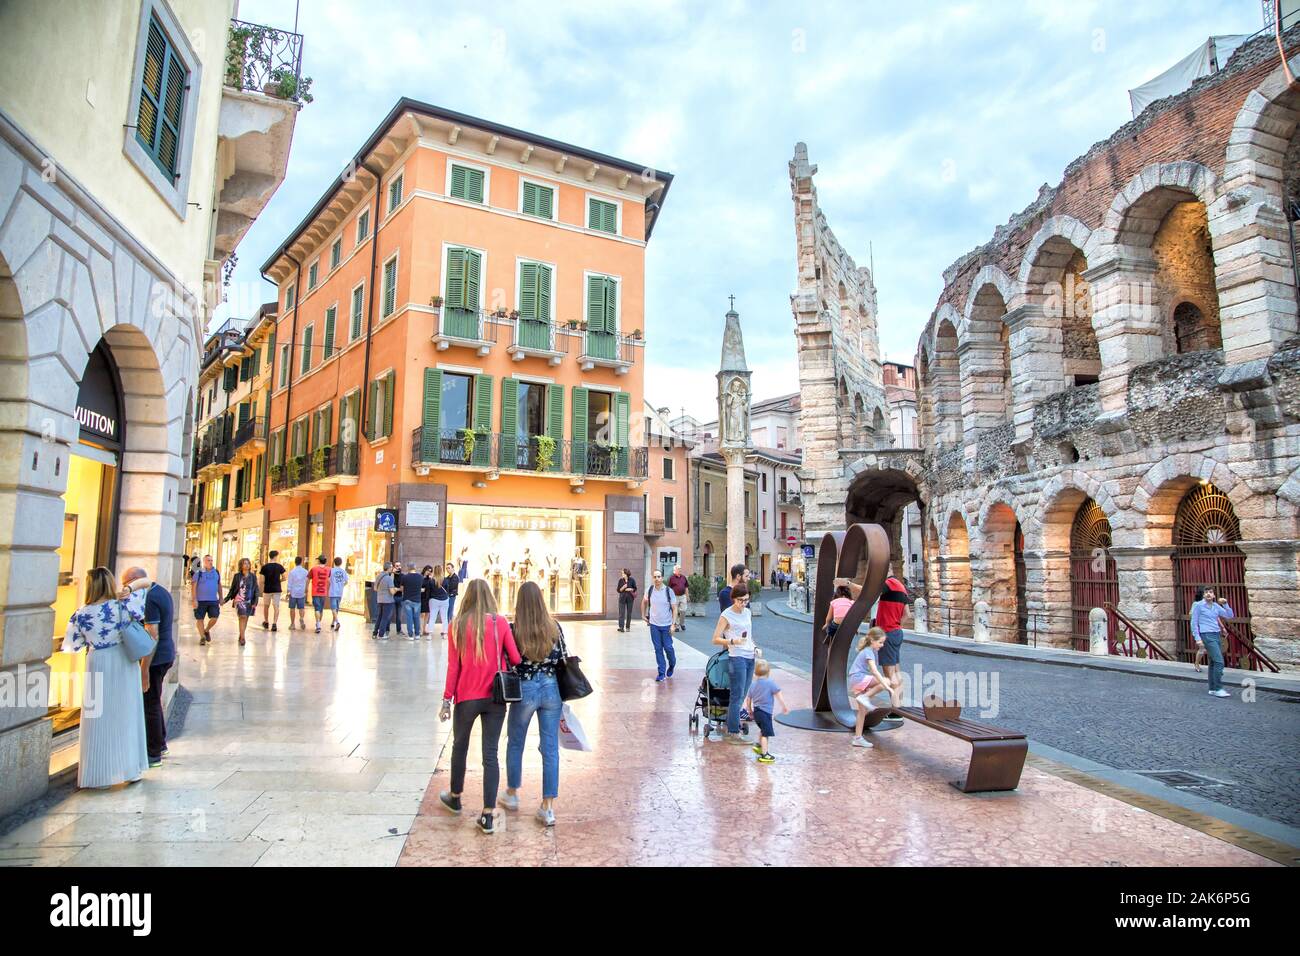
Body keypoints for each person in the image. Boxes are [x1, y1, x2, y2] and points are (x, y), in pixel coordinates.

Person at [438, 578, 522, 835]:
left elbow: (454, 667)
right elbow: (516, 658)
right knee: (490, 754)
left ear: (467, 598)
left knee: (459, 746)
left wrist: (446, 699)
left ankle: (455, 796)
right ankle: (487, 814)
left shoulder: (457, 625)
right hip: (496, 697)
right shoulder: (500, 623)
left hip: (466, 697)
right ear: (489, 597)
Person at [62, 567, 149, 787]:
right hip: (121, 661)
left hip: (97, 661)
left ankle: (96, 774)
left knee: (96, 717)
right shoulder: (122, 606)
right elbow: (147, 583)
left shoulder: (80, 613)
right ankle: (130, 769)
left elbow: (72, 646)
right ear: (111, 583)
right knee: (126, 713)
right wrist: (129, 588)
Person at [501, 580, 564, 827]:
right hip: (551, 688)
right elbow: (562, 657)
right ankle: (547, 807)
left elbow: (508, 660)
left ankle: (512, 793)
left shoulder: (514, 628)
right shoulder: (554, 627)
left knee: (515, 742)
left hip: (524, 688)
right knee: (550, 748)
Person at [121, 567, 174, 769]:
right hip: (165, 655)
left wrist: (144, 670)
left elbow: (152, 634)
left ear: (134, 581)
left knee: (149, 703)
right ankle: (160, 744)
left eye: (126, 585)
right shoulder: (160, 590)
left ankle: (153, 754)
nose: (125, 590)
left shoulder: (149, 598)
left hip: (157, 658)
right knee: (154, 700)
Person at [711, 582, 757, 744]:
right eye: (740, 600)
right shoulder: (726, 615)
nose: (743, 603)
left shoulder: (748, 613)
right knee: (736, 696)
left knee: (743, 694)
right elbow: (715, 639)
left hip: (750, 656)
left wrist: (755, 647)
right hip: (736, 656)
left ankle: (734, 726)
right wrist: (732, 640)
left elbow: (749, 635)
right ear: (733, 599)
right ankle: (733, 731)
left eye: (746, 600)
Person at [848, 627, 902, 748]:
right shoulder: (868, 651)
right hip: (858, 678)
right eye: (880, 642)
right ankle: (865, 697)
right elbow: (874, 671)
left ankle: (857, 738)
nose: (882, 645)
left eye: (883, 642)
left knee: (862, 712)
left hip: (855, 680)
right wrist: (887, 687)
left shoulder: (872, 651)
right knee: (887, 680)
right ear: (872, 640)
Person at [1191, 587, 1235, 698]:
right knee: (1219, 661)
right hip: (1206, 635)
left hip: (1216, 634)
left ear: (1214, 595)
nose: (1208, 594)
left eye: (1210, 592)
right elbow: (1194, 623)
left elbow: (1230, 615)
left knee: (1213, 663)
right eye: (1206, 592)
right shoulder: (1198, 606)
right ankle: (1218, 688)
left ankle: (1212, 688)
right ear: (1203, 595)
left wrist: (1225, 604)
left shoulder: (1216, 606)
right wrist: (1198, 638)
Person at [744, 658, 790, 764]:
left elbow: (748, 699)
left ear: (755, 672)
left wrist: (750, 710)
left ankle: (759, 746)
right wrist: (784, 706)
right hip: (765, 713)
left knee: (763, 730)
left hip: (757, 712)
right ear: (769, 671)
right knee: (765, 734)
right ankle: (765, 754)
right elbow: (778, 695)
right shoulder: (770, 683)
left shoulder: (753, 684)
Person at [641, 568, 677, 682]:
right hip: (654, 625)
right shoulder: (650, 590)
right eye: (655, 577)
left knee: (668, 648)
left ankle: (672, 664)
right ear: (653, 578)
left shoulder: (668, 591)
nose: (657, 579)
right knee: (658, 649)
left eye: (659, 576)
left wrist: (673, 624)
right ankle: (661, 672)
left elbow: (674, 608)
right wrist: (643, 614)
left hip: (666, 625)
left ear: (662, 578)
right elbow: (644, 601)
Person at [221, 558, 260, 647]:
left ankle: (241, 634)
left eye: (248, 563)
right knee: (242, 617)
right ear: (241, 565)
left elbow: (256, 589)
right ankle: (243, 637)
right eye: (244, 563)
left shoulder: (253, 576)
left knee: (246, 619)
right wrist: (225, 600)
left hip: (249, 601)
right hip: (239, 600)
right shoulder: (237, 576)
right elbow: (232, 590)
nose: (246, 565)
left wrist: (255, 601)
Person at [191, 554, 221, 645]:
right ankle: (202, 637)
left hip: (213, 600)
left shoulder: (216, 572)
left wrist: (221, 597)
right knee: (200, 619)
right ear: (204, 562)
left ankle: (206, 630)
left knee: (215, 617)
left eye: (211, 560)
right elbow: (194, 586)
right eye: (208, 560)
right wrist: (194, 599)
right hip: (200, 600)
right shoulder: (198, 572)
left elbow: (219, 585)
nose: (210, 562)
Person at [260, 550, 285, 631]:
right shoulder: (279, 566)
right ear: (275, 556)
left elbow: (262, 580)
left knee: (266, 606)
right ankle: (274, 624)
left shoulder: (264, 567)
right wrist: (278, 581)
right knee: (276, 606)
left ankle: (266, 622)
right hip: (277, 589)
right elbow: (284, 577)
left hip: (267, 589)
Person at [399, 563, 424, 641]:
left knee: (409, 618)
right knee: (416, 617)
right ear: (415, 568)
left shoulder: (404, 577)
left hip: (407, 600)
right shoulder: (420, 577)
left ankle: (410, 635)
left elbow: (402, 589)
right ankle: (417, 634)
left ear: (408, 568)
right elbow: (421, 588)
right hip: (417, 600)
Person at [373, 562, 396, 640]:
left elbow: (375, 589)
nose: (392, 569)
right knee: (385, 618)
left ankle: (375, 633)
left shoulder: (378, 576)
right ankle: (381, 634)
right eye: (392, 567)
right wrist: (396, 589)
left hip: (379, 600)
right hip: (388, 601)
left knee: (379, 617)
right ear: (389, 568)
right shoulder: (388, 578)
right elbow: (392, 592)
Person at [426, 565, 451, 637]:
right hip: (444, 600)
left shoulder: (431, 581)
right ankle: (445, 634)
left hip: (433, 600)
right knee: (444, 617)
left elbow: (428, 592)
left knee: (432, 617)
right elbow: (447, 590)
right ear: (441, 570)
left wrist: (428, 600)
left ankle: (429, 634)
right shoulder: (445, 580)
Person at [307, 555, 330, 634]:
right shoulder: (328, 569)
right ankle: (318, 624)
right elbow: (330, 580)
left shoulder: (313, 569)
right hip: (323, 592)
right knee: (321, 609)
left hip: (315, 592)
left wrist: (306, 588)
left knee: (317, 608)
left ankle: (318, 624)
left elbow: (308, 578)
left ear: (319, 561)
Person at [285, 556, 309, 630]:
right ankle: (301, 618)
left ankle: (292, 624)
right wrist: (306, 589)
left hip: (293, 593)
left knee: (292, 608)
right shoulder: (305, 571)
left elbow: (289, 583)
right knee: (301, 608)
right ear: (301, 562)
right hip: (301, 592)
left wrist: (288, 593)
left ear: (295, 562)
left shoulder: (292, 572)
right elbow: (307, 581)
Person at [328, 557, 348, 631]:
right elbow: (346, 581)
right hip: (340, 592)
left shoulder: (331, 571)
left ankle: (337, 622)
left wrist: (333, 584)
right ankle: (333, 622)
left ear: (334, 562)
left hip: (333, 592)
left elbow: (328, 580)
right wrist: (341, 586)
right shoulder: (343, 572)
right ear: (341, 563)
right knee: (336, 608)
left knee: (333, 608)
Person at [667, 564, 689, 630]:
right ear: (675, 570)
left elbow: (686, 587)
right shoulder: (672, 578)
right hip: (675, 597)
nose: (680, 570)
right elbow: (669, 588)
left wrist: (687, 596)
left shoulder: (683, 577)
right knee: (675, 610)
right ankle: (676, 625)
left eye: (680, 568)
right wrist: (669, 597)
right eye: (678, 569)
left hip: (683, 596)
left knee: (683, 610)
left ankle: (682, 623)